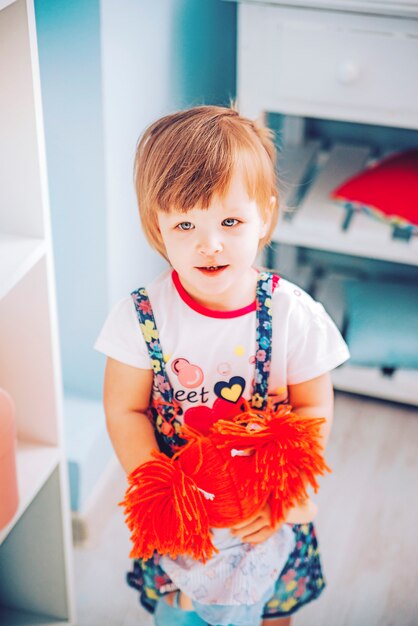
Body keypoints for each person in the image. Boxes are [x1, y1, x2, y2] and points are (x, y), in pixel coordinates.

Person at [95, 105, 350, 626]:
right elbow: (125, 409)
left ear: (265, 218)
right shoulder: (141, 318)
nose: (209, 244)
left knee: (271, 613)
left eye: (230, 221)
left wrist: (283, 496)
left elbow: (313, 403)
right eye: (185, 223)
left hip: (263, 509)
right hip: (183, 514)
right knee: (180, 614)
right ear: (157, 226)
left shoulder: (291, 315)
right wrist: (159, 486)